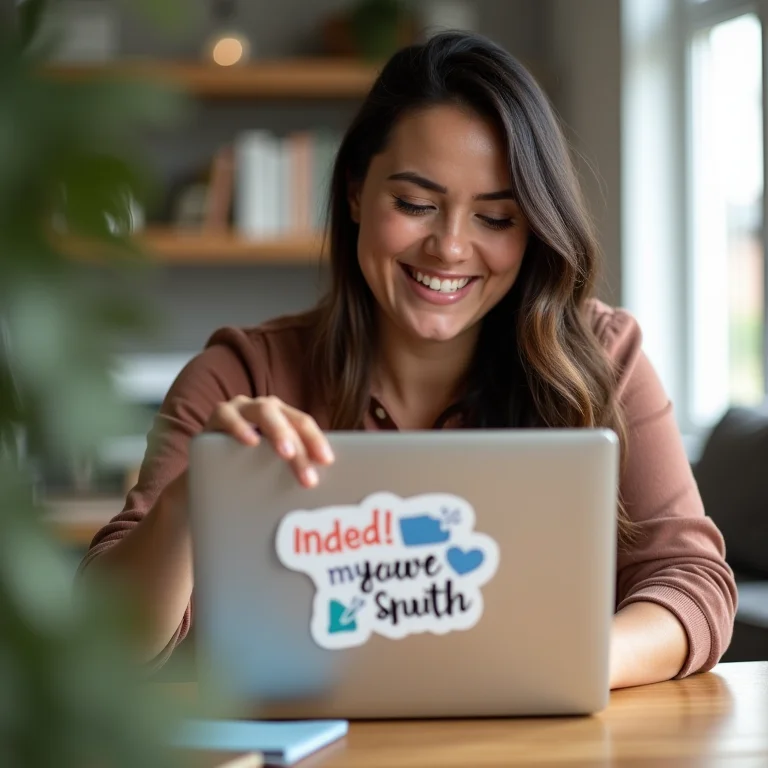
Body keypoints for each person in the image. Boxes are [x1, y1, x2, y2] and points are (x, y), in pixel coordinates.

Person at [79, 31, 737, 689]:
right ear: (355, 193)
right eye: (416, 204)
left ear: (534, 227)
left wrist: (559, 666)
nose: (450, 247)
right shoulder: (238, 376)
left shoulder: (602, 359)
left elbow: (693, 584)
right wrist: (191, 500)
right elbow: (106, 642)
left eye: (496, 219)